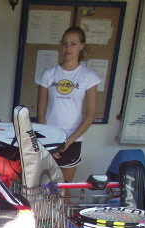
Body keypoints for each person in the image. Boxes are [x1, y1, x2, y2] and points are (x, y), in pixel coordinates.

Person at [36, 26, 101, 183]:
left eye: (73, 44)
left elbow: (91, 115)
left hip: (73, 140)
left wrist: (68, 141)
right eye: (65, 44)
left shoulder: (88, 76)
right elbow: (40, 113)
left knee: (64, 189)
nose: (68, 48)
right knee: (42, 187)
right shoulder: (48, 74)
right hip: (49, 138)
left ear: (81, 46)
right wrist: (49, 142)